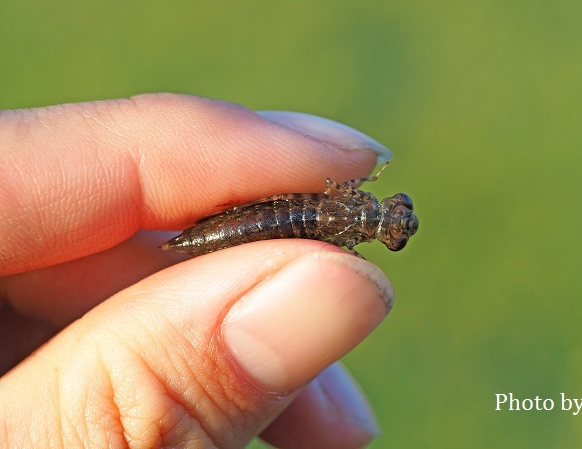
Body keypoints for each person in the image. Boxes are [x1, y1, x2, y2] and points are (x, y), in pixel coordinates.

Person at [0, 93, 394, 448]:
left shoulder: (351, 211)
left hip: (264, 220)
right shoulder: (353, 221)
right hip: (260, 221)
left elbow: (331, 191)